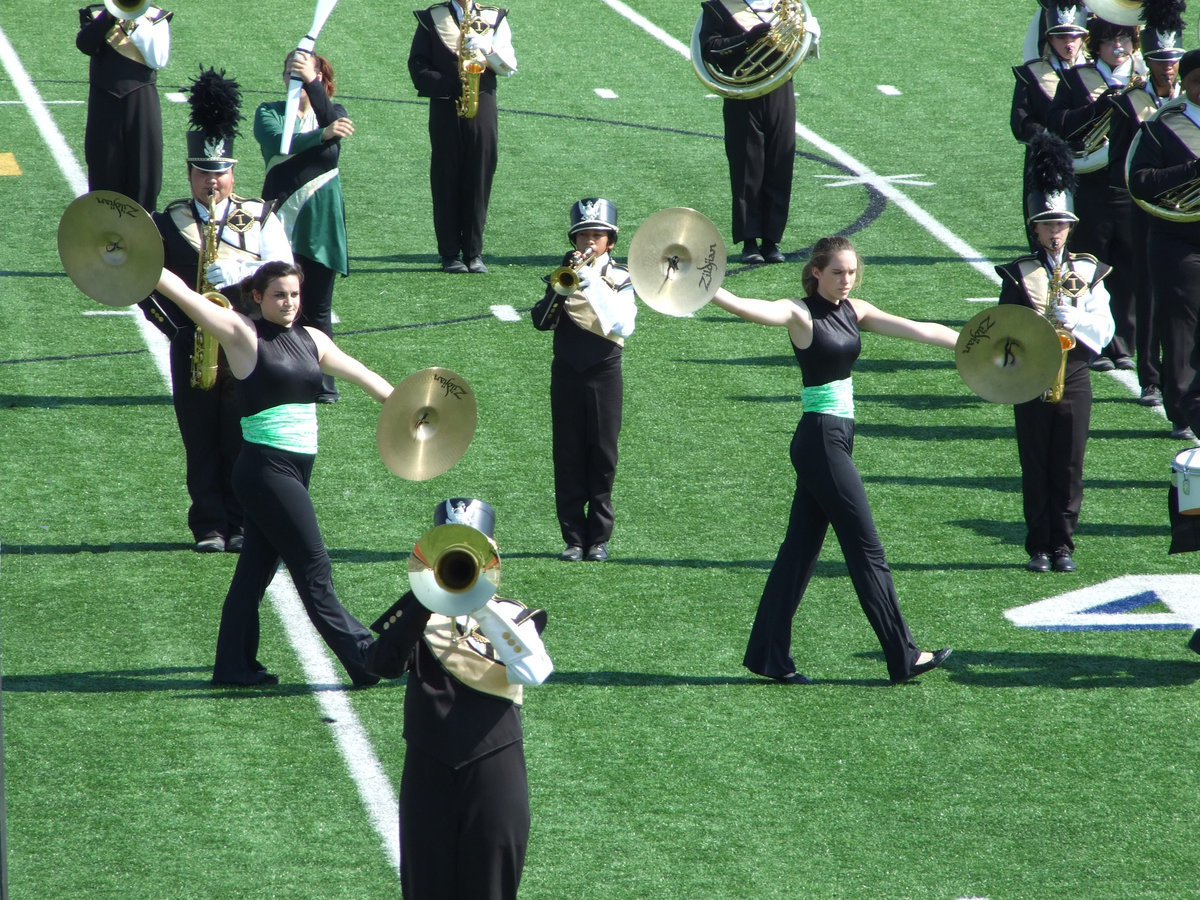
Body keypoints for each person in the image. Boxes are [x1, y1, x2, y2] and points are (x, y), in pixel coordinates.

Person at [711, 235, 954, 684]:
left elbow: (920, 329)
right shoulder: (798, 313)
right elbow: (748, 307)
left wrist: (975, 343)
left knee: (799, 553)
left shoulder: (855, 311)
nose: (846, 280)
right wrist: (706, 285)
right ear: (817, 272)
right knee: (867, 548)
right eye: (838, 272)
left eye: (852, 272)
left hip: (835, 439)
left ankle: (769, 657)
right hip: (820, 440)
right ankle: (904, 655)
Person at [154, 261, 393, 687]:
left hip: (294, 471)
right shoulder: (243, 335)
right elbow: (186, 299)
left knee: (254, 572)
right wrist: (145, 265)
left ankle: (233, 665)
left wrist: (408, 405)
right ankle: (363, 658)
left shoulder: (312, 338)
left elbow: (363, 375)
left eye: (295, 295)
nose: (289, 303)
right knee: (313, 565)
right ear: (259, 297)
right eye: (280, 295)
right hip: (266, 470)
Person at [365, 499, 552, 900]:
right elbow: (381, 665)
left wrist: (482, 604)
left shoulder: (513, 615)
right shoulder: (418, 616)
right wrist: (422, 599)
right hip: (428, 767)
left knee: (490, 887)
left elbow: (534, 672)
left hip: (492, 767)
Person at [141, 68, 295, 553]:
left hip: (247, 343)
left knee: (244, 437)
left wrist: (246, 277)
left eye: (221, 172)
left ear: (234, 172)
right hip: (192, 343)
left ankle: (244, 520)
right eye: (205, 172)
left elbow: (287, 271)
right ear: (190, 174)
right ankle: (208, 523)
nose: (214, 181)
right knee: (200, 440)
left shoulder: (261, 217)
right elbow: (146, 288)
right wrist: (179, 331)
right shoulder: (167, 223)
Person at [996, 132, 1115, 574]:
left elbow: (1105, 333)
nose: (1056, 232)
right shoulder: (1018, 274)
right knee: (1035, 463)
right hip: (1031, 376)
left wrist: (1074, 319)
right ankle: (1038, 547)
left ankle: (1063, 545)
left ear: (1071, 227)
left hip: (1076, 374)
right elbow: (1003, 331)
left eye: (1062, 224)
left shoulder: (1088, 270)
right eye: (1048, 225)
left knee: (1068, 464)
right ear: (1036, 229)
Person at [531, 199, 637, 562]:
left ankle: (599, 539)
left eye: (597, 236)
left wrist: (592, 285)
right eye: (584, 236)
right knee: (569, 454)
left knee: (603, 455)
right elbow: (542, 322)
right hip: (566, 372)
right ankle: (574, 538)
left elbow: (624, 326)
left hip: (605, 373)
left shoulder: (621, 278)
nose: (590, 243)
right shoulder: (565, 273)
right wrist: (559, 292)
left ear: (610, 241)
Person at [254, 49, 352, 403]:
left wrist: (312, 83)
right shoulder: (269, 112)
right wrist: (321, 136)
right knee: (278, 305)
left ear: (322, 80)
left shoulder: (334, 113)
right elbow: (280, 144)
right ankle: (277, 380)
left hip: (322, 224)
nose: (297, 79)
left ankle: (323, 383)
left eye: (309, 75)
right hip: (280, 221)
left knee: (318, 310)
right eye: (292, 73)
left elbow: (333, 129)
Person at [1047, 14, 1144, 373]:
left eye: (1125, 41)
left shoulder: (1144, 82)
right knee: (1091, 265)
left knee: (1131, 268)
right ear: (1097, 47)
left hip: (1130, 188)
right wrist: (1099, 106)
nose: (1118, 48)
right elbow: (1057, 124)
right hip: (1090, 185)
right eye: (1110, 41)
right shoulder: (1076, 80)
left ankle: (1124, 344)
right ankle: (1097, 342)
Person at [1105, 0, 1185, 408]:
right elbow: (1120, 161)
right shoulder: (1130, 102)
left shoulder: (1191, 110)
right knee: (1149, 293)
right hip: (1145, 210)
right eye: (1159, 60)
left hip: (1189, 213)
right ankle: (1151, 378)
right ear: (1148, 61)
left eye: (1173, 60)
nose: (1167, 67)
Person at [697, 1, 819, 265]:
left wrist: (810, 35)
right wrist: (746, 39)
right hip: (743, 93)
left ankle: (772, 240)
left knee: (780, 164)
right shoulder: (720, 7)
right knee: (747, 169)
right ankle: (749, 241)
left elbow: (802, 49)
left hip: (779, 90)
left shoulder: (787, 6)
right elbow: (709, 49)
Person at [408, 0, 516, 274]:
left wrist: (486, 52)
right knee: (446, 176)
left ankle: (474, 252)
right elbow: (417, 66)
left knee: (480, 174)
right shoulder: (432, 17)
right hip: (446, 105)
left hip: (483, 103)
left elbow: (509, 66)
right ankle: (449, 254)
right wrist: (450, 83)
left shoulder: (494, 16)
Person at [1128, 48, 1200, 441]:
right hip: (1178, 243)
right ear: (1185, 84)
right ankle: (1182, 411)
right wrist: (1193, 170)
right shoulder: (1162, 127)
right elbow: (1140, 182)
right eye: (1196, 81)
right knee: (1181, 330)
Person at [75, 1, 172, 212]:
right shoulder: (96, 13)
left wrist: (135, 19)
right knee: (104, 170)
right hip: (104, 103)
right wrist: (111, 15)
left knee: (144, 172)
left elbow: (158, 59)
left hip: (141, 103)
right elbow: (86, 45)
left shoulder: (156, 17)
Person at [1011, 2, 1089, 251]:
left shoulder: (1097, 74)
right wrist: (1051, 139)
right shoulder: (1031, 74)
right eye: (1061, 37)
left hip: (1094, 168)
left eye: (1074, 37)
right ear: (1049, 39)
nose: (1069, 43)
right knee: (1046, 229)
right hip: (1047, 164)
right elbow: (1021, 122)